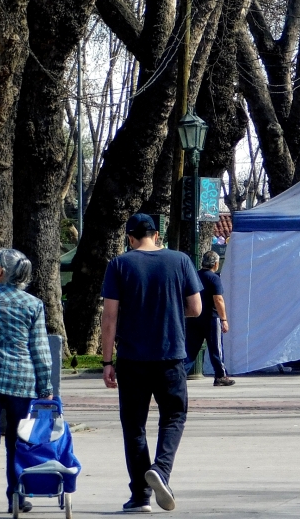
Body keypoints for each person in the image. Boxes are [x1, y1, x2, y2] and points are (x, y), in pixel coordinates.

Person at [101, 213, 203, 513]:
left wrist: (107, 361)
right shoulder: (180, 261)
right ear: (156, 235)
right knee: (174, 416)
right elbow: (196, 308)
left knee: (134, 426)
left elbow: (109, 317)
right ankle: (161, 469)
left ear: (130, 238)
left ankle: (140, 496)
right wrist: (169, 310)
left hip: (132, 359)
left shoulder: (120, 265)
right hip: (170, 355)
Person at [0, 249, 53, 517]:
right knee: (19, 440)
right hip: (23, 381)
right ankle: (19, 494)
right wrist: (46, 388)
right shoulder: (33, 304)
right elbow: (40, 350)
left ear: (0, 272)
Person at [185, 250, 234, 387]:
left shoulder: (195, 276)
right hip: (211, 318)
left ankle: (179, 374)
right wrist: (224, 319)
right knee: (215, 349)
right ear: (216, 264)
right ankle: (220, 375)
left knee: (190, 349)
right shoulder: (214, 278)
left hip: (194, 317)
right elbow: (218, 299)